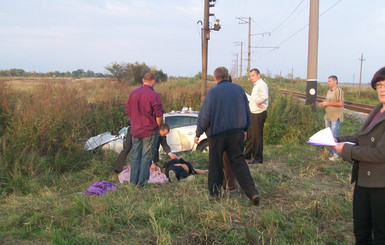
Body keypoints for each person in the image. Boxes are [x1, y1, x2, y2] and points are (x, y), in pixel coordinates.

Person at [331, 67, 385, 244]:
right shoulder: (377, 110)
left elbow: (380, 153)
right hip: (363, 181)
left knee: (380, 235)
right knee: (361, 231)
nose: (382, 89)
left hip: (381, 185)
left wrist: (346, 150)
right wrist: (335, 139)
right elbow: (360, 137)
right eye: (379, 85)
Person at [195, 66, 260, 205]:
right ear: (227, 76)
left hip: (217, 135)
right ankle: (252, 192)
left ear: (215, 78)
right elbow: (247, 111)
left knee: (215, 163)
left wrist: (198, 132)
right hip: (236, 133)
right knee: (239, 162)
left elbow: (205, 116)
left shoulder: (212, 93)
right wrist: (245, 128)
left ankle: (215, 193)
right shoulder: (239, 89)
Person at [126, 72, 164, 187]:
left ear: (143, 80)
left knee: (135, 156)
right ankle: (141, 184)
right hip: (149, 130)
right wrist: (159, 126)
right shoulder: (154, 95)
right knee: (146, 158)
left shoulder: (133, 94)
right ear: (153, 81)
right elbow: (158, 115)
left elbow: (129, 113)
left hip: (136, 130)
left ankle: (133, 182)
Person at [112, 123, 178, 173]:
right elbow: (147, 148)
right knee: (127, 148)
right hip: (134, 131)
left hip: (142, 133)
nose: (165, 135)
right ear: (160, 130)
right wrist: (151, 162)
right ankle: (116, 168)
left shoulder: (160, 135)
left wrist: (170, 153)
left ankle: (153, 164)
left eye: (166, 134)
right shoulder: (152, 133)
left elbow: (164, 144)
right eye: (164, 134)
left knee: (155, 146)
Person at [244, 68, 268, 164]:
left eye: (253, 75)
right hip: (253, 113)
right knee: (251, 135)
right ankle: (247, 154)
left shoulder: (261, 84)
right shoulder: (257, 85)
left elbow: (264, 96)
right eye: (250, 76)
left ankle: (258, 158)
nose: (251, 78)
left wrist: (258, 102)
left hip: (258, 113)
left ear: (259, 75)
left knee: (256, 136)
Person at [319, 75, 344, 161]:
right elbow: (328, 102)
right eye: (328, 81)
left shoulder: (339, 91)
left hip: (335, 117)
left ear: (335, 81)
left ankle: (336, 154)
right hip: (328, 116)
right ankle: (330, 151)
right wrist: (324, 103)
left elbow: (340, 103)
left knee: (334, 136)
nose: (328, 83)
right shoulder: (329, 91)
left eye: (330, 81)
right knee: (328, 136)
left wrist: (328, 104)